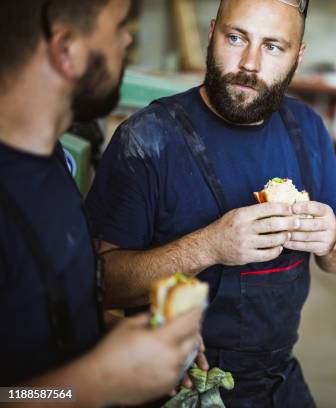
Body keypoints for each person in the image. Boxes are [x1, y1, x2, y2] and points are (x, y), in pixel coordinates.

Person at [85, 0, 336, 406]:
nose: (249, 63)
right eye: (236, 38)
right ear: (212, 32)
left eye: (273, 47)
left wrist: (335, 239)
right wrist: (211, 246)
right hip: (175, 381)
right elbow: (100, 285)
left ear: (298, 56)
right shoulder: (147, 139)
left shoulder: (307, 128)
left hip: (277, 379)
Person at [0, 1, 206, 406]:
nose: (128, 39)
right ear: (66, 49)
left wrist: (126, 340)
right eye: (118, 26)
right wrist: (99, 379)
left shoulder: (52, 162)